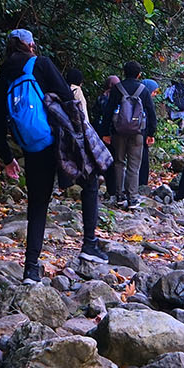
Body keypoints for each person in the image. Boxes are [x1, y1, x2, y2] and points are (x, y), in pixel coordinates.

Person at [0, 29, 77, 282]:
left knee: (37, 204)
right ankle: (90, 246)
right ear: (30, 45)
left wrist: (7, 157)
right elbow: (68, 97)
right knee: (90, 182)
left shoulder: (4, 74)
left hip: (31, 146)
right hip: (57, 141)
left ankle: (30, 267)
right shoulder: (41, 63)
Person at [64, 69, 108, 258]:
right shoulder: (77, 92)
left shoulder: (63, 89)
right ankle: (89, 241)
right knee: (90, 182)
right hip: (78, 136)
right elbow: (82, 115)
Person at [101, 67, 153, 206]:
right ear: (139, 74)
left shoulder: (117, 88)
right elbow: (151, 113)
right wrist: (151, 133)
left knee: (119, 162)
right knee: (134, 166)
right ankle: (133, 198)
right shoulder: (143, 90)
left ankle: (119, 196)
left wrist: (105, 132)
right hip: (138, 133)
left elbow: (108, 111)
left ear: (124, 73)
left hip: (119, 132)